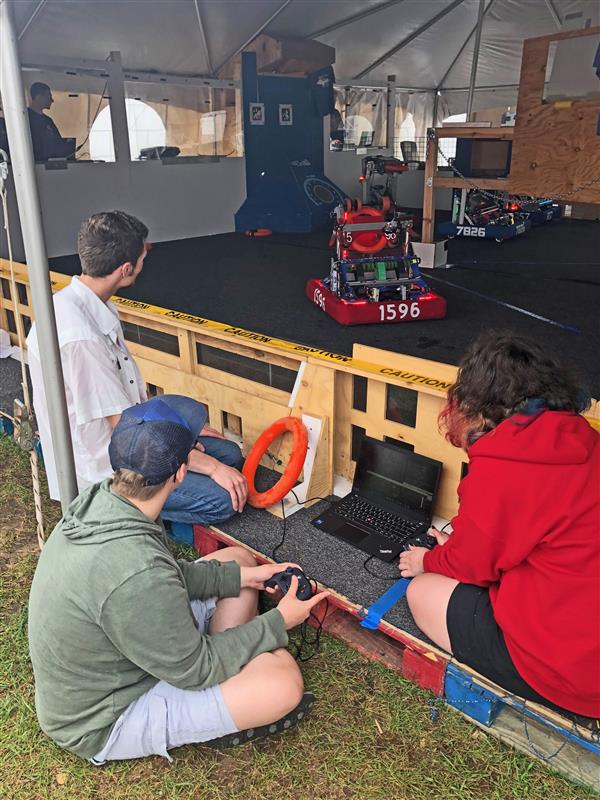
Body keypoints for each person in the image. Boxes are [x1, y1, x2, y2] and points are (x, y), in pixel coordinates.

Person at [28, 394, 329, 761]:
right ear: (181, 472)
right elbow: (194, 667)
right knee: (282, 682)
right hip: (106, 717)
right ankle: (228, 698)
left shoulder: (106, 498)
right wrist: (280, 621)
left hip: (129, 651)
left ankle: (229, 679)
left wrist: (248, 578)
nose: (201, 446)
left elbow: (163, 576)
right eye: (194, 446)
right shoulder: (136, 570)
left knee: (237, 561)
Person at [399, 332, 600, 722]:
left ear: (476, 406)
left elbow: (474, 565)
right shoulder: (584, 437)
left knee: (422, 592)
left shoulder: (502, 465)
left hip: (571, 673)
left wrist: (429, 561)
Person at [27, 210, 248, 525]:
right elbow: (126, 429)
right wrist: (206, 465)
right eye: (144, 257)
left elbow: (129, 404)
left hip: (134, 438)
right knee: (225, 498)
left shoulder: (87, 304)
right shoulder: (81, 338)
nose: (146, 261)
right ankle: (130, 511)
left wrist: (185, 432)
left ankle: (183, 480)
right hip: (112, 469)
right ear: (126, 269)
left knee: (230, 455)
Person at [27, 82, 72, 161]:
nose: (52, 100)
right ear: (39, 97)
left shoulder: (48, 120)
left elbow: (58, 142)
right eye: (49, 96)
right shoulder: (25, 118)